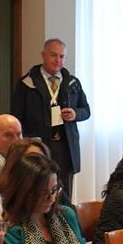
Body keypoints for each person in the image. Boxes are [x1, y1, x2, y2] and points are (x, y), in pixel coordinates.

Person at [10, 37, 90, 195]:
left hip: (66, 148)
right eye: (53, 55)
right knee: (40, 191)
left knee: (64, 195)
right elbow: (16, 117)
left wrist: (75, 114)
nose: (58, 60)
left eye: (62, 56)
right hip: (40, 146)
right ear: (43, 55)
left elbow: (86, 110)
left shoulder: (72, 82)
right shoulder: (26, 83)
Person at [0, 151, 93, 244]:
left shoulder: (66, 215)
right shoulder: (10, 230)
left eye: (54, 190)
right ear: (23, 192)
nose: (52, 198)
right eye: (43, 193)